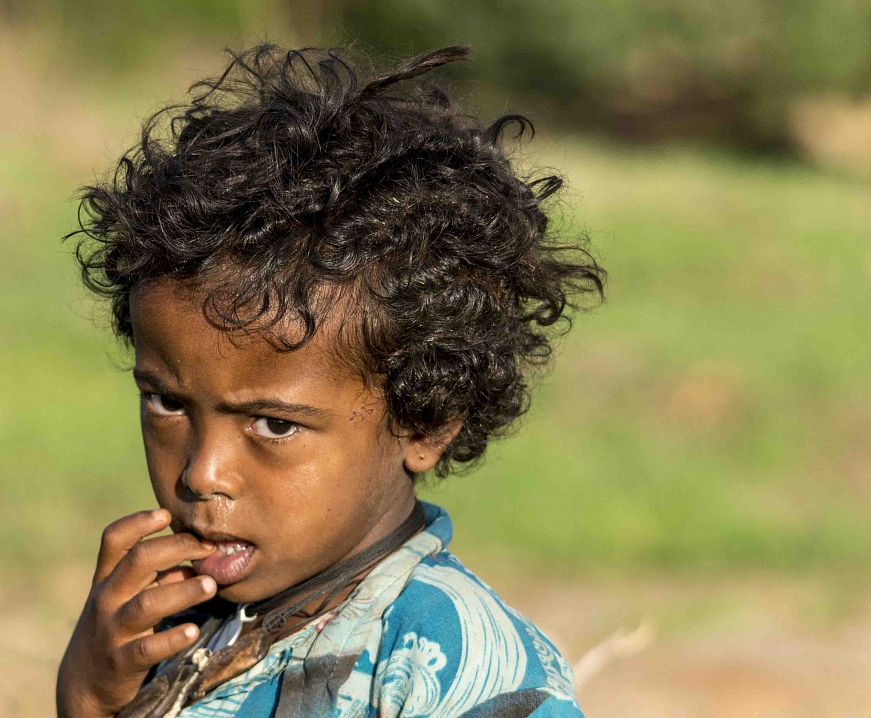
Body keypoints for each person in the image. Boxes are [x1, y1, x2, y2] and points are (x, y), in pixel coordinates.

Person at [57, 43, 605, 718]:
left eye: (275, 424)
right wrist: (91, 695)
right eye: (168, 402)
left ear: (425, 421)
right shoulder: (172, 630)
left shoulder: (452, 660)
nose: (205, 473)